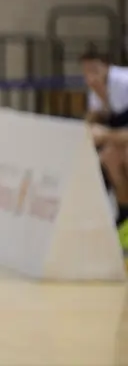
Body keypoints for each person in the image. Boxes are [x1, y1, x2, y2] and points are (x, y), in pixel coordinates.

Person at [81, 48, 128, 251]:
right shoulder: (98, 88)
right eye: (86, 72)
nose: (90, 77)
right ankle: (124, 217)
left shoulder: (124, 83)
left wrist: (105, 134)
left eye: (94, 70)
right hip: (119, 138)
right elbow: (94, 120)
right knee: (108, 158)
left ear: (107, 67)